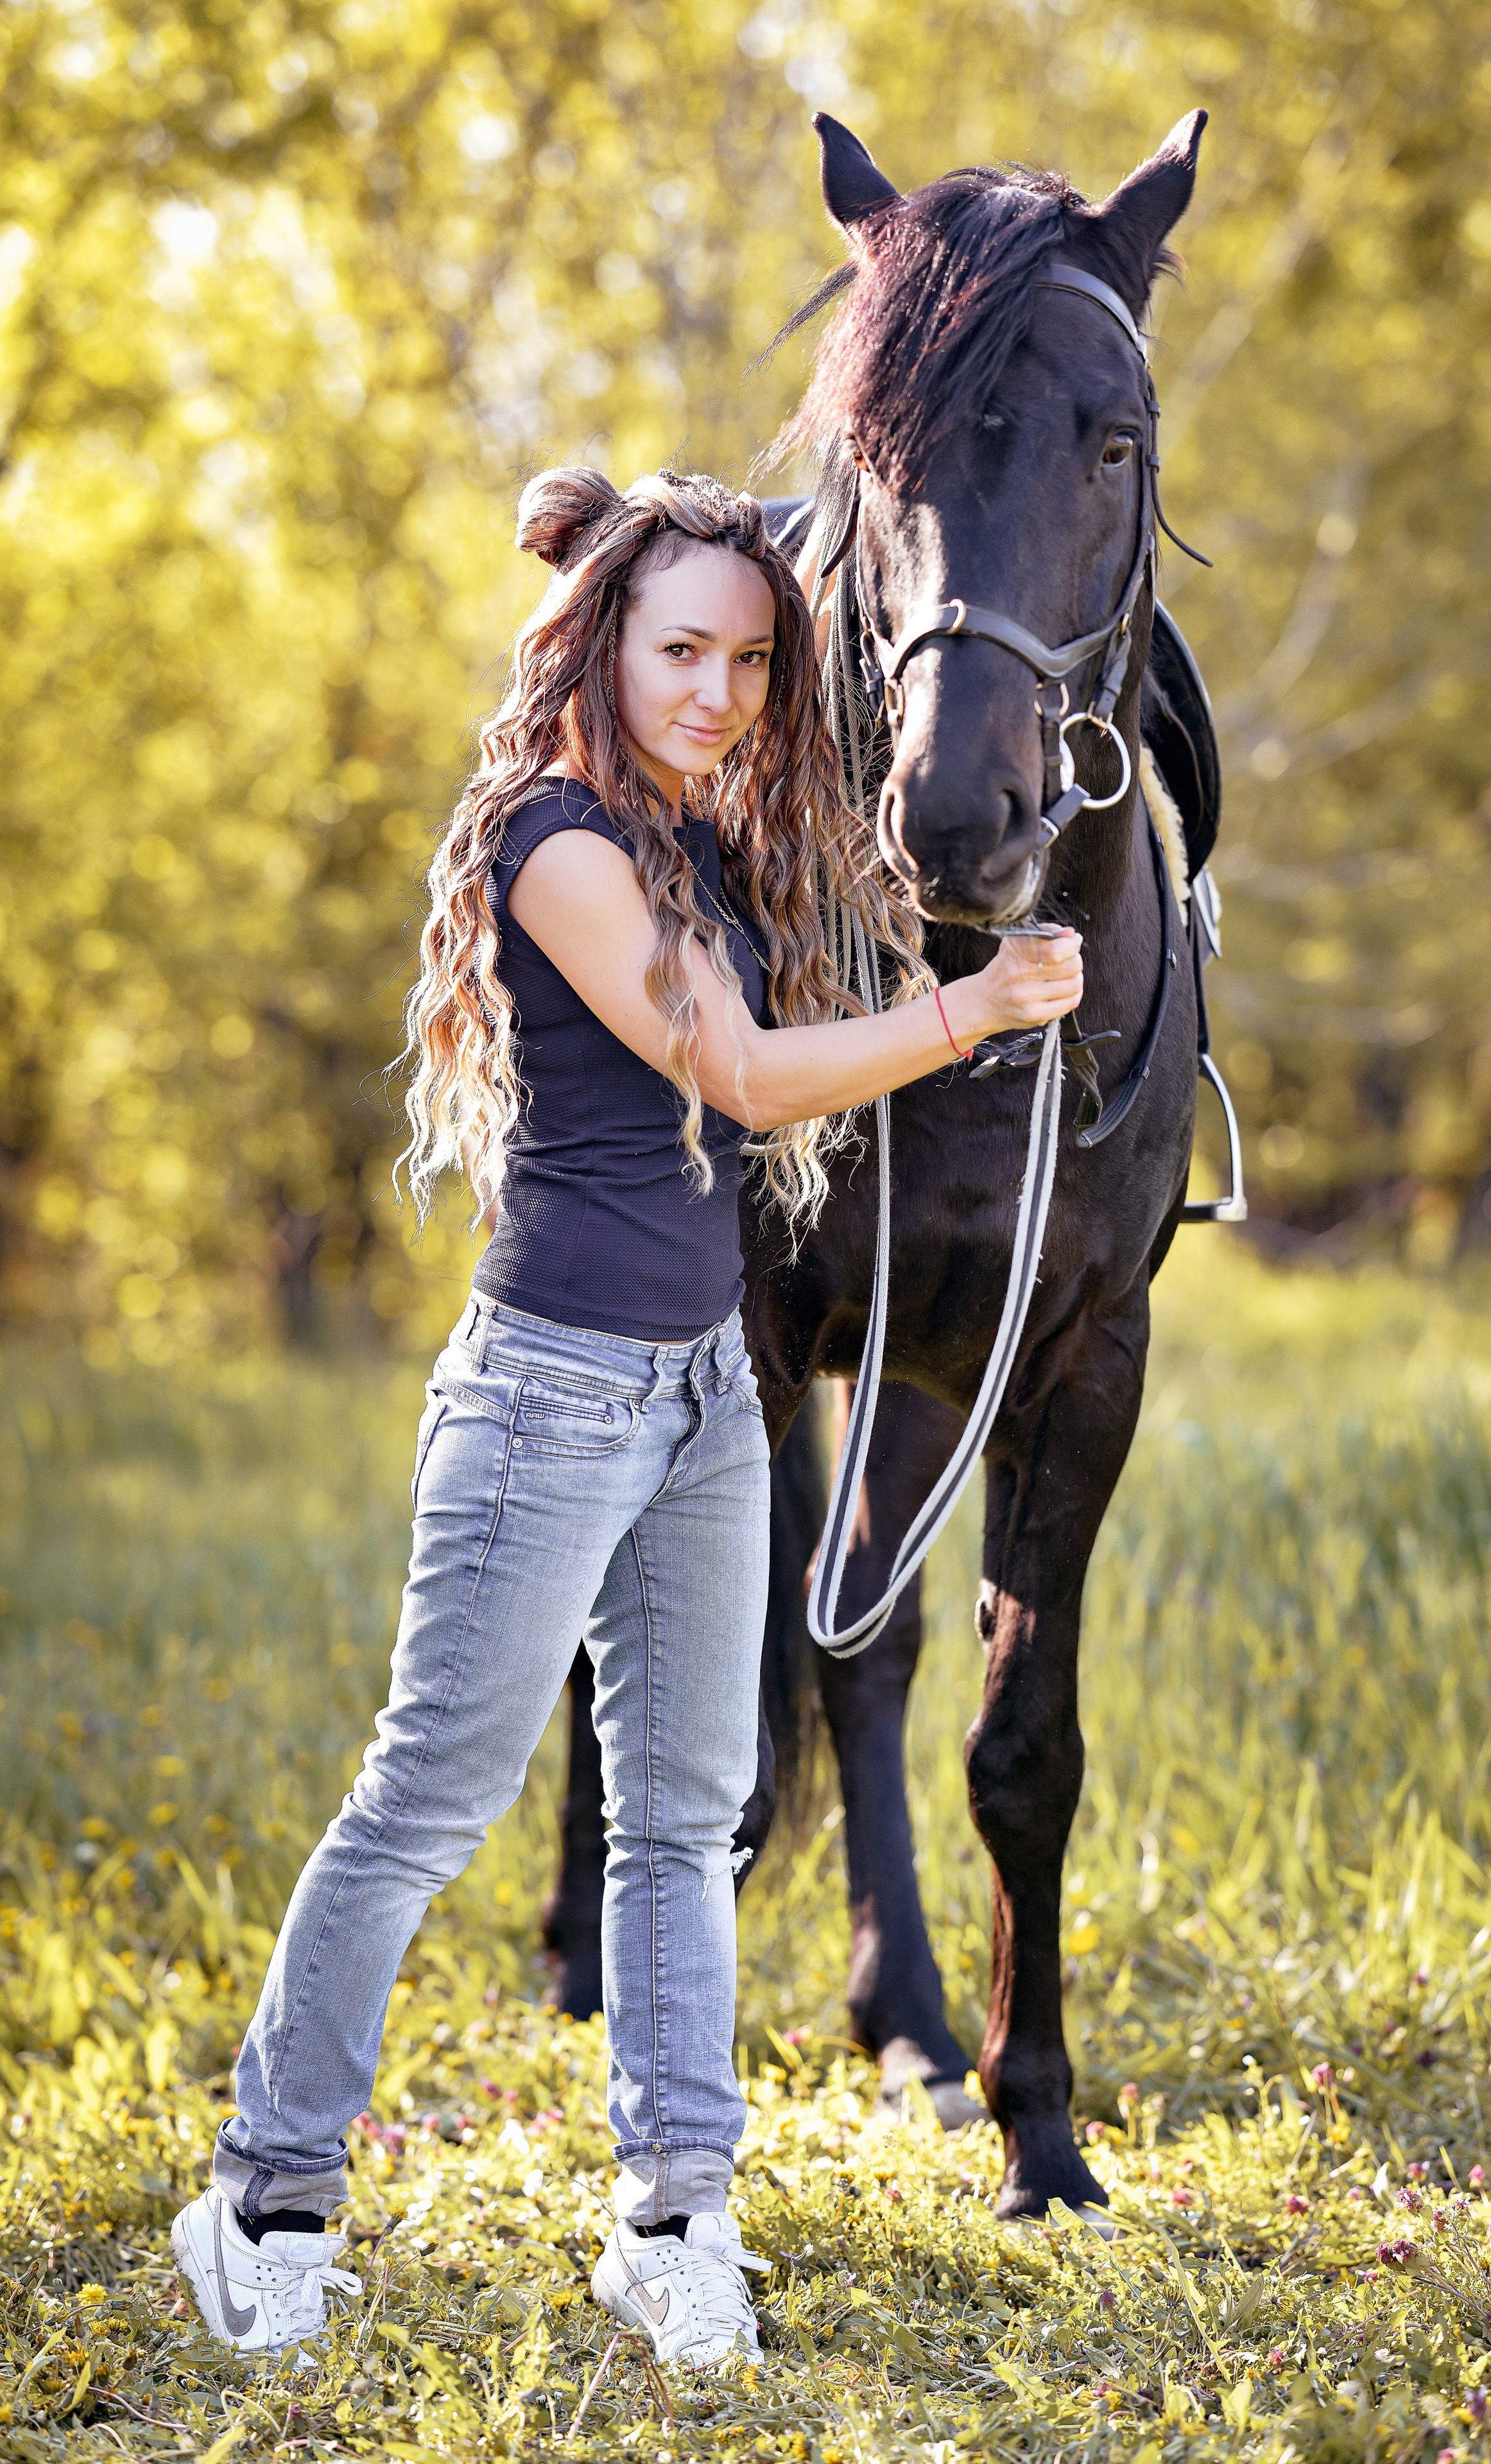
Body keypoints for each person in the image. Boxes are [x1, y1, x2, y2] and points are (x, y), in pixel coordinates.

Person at [170, 466, 1082, 2368]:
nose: (719, 691)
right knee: (427, 1801)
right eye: (680, 648)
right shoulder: (558, 838)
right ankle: (264, 2194)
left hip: (700, 1398)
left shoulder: (708, 839)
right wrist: (973, 1015)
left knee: (687, 1820)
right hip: (549, 1396)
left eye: (750, 660)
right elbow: (740, 1074)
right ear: (602, 644)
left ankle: (677, 2216)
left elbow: (872, 806)